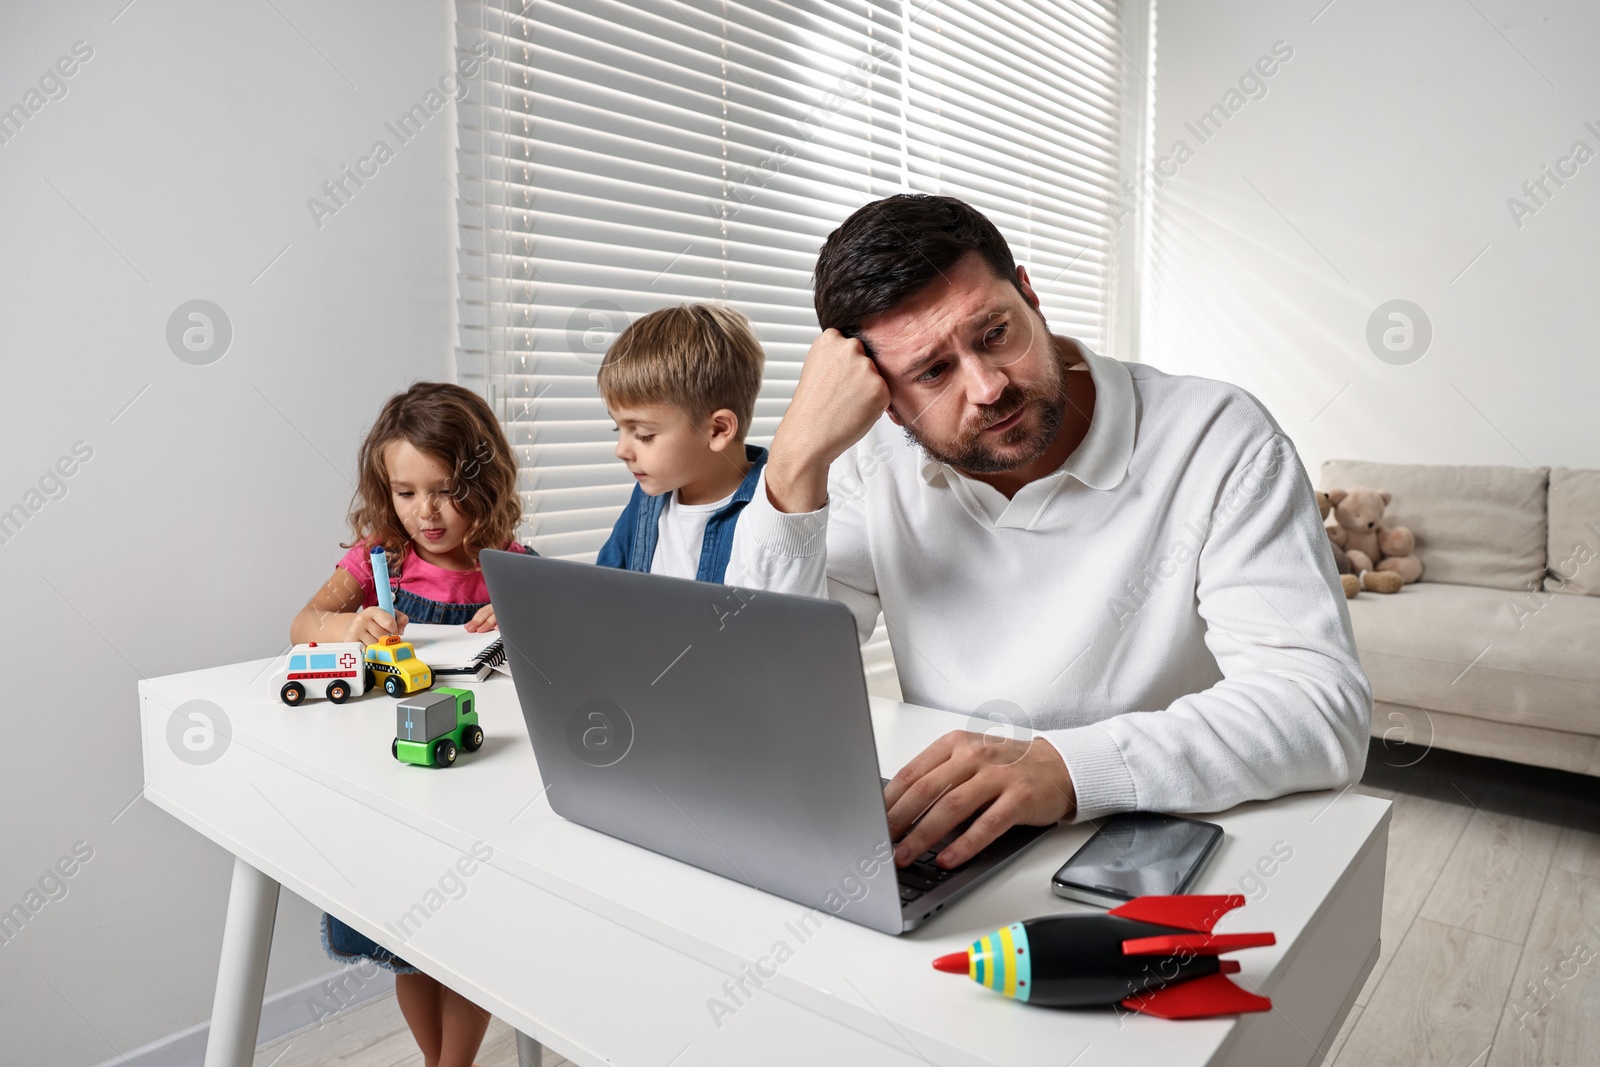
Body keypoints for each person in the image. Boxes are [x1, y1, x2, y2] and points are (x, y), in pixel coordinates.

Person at [726, 194, 1371, 872]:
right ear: (882, 395)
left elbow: (1320, 706)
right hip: (959, 844)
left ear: (1030, 294)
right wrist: (796, 461)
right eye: (933, 372)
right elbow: (759, 691)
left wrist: (1067, 768)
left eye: (995, 332)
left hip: (1158, 839)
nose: (987, 386)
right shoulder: (867, 463)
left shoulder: (1220, 438)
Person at [290, 381, 527, 1067]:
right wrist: (349, 622)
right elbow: (303, 624)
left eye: (447, 488)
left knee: (472, 943)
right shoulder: (375, 563)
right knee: (410, 948)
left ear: (484, 480)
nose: (426, 511)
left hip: (478, 792)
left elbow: (555, 653)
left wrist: (515, 621)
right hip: (390, 784)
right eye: (405, 491)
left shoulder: (509, 566)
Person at [595, 304, 769, 582]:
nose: (621, 451)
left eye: (643, 434)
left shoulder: (772, 509)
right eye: (619, 428)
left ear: (717, 430)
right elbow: (602, 589)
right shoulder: (646, 499)